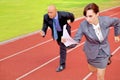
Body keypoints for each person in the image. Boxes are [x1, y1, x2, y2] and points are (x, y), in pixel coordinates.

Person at [63, 3, 120, 80]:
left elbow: (117, 22)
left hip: (104, 50)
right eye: (86, 16)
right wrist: (67, 42)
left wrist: (116, 35)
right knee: (92, 70)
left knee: (100, 76)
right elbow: (76, 40)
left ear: (97, 14)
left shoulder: (106, 20)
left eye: (90, 16)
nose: (88, 19)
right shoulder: (83, 25)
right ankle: (102, 61)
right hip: (91, 50)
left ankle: (106, 58)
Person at [40, 5, 75, 72]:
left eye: (51, 12)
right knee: (60, 44)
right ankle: (69, 44)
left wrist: (71, 21)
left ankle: (62, 65)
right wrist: (43, 32)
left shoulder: (63, 15)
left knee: (62, 47)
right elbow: (45, 25)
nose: (49, 14)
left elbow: (72, 15)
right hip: (57, 33)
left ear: (56, 11)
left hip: (65, 30)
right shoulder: (46, 17)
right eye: (48, 12)